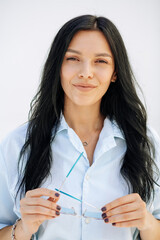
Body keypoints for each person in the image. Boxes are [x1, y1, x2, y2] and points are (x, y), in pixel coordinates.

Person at [0, 14, 160, 240]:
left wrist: (147, 223)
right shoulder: (16, 145)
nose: (86, 72)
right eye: (73, 59)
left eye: (101, 61)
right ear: (58, 66)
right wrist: (23, 228)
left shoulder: (146, 142)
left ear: (115, 73)